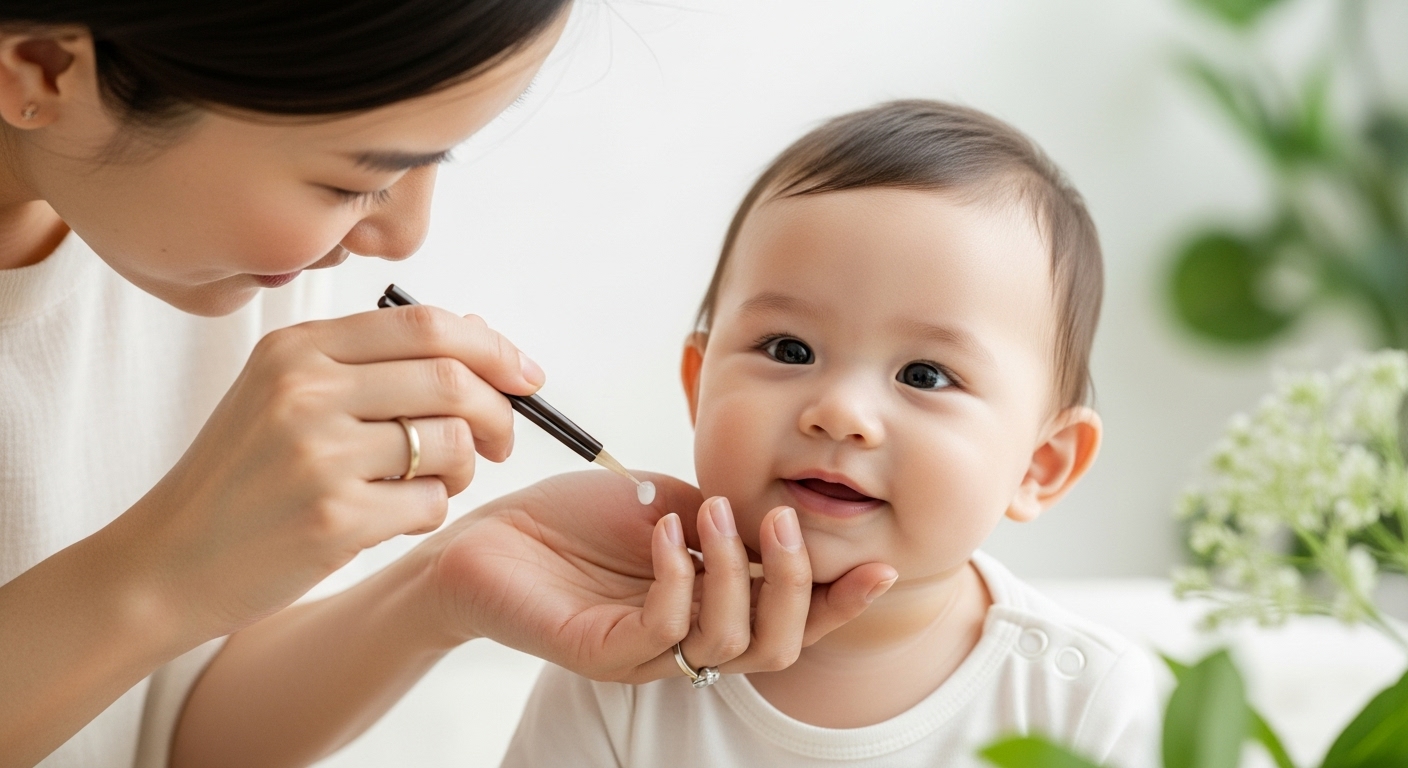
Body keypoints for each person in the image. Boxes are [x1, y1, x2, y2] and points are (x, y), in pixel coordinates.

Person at [0, 4, 901, 767]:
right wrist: (159, 571)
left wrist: (444, 584)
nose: (401, 237)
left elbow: (160, 741)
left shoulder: (208, 250)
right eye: (353, 179)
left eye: (437, 158)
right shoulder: (202, 237)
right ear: (40, 68)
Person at [501, 100, 1161, 767]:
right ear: (700, 387)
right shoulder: (625, 660)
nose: (840, 413)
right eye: (789, 350)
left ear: (1040, 465)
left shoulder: (1087, 710)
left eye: (925, 375)